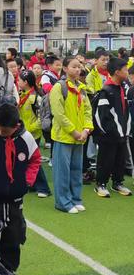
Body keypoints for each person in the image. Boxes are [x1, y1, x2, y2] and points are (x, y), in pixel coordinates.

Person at [0, 103, 41, 271]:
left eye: (6, 131)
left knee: (14, 237)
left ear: (16, 125)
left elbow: (35, 160)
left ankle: (10, 273)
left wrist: (26, 182)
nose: (1, 132)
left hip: (16, 200)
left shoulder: (26, 139)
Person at [50, 57, 93, 213]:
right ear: (65, 69)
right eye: (74, 66)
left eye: (79, 66)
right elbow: (58, 114)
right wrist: (74, 131)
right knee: (62, 171)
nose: (77, 69)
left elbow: (88, 110)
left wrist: (86, 130)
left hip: (79, 137)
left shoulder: (81, 88)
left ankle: (76, 198)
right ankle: (63, 202)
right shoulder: (59, 87)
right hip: (64, 136)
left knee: (76, 170)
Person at [93, 57, 132, 197]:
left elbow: (125, 111)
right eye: (125, 70)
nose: (127, 72)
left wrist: (125, 130)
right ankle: (100, 184)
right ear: (117, 72)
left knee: (119, 159)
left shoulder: (122, 88)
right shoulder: (106, 90)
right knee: (105, 160)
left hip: (122, 133)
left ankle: (118, 182)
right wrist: (110, 131)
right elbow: (101, 116)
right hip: (108, 136)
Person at [18, 70, 51, 198]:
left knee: (33, 160)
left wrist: (29, 128)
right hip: (24, 132)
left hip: (33, 134)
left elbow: (40, 118)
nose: (18, 82)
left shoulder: (36, 98)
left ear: (25, 82)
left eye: (20, 80)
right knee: (26, 160)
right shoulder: (22, 95)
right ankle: (32, 184)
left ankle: (44, 188)